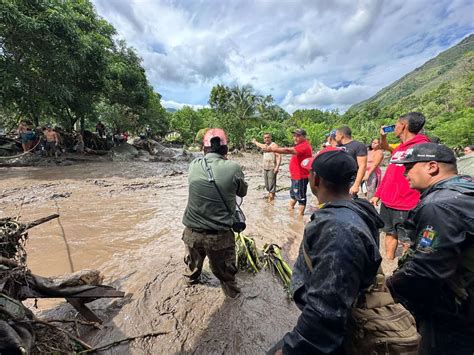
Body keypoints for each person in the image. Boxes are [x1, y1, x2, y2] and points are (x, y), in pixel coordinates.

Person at [269, 147, 383, 354]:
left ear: (316, 180)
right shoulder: (355, 208)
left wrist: (292, 348)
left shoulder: (337, 229)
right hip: (348, 315)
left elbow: (327, 310)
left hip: (339, 331)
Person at [386, 143, 474, 355]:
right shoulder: (465, 188)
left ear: (432, 167)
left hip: (456, 311)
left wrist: (388, 287)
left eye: (409, 167)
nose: (405, 174)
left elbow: (427, 268)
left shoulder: (439, 205)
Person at [182, 128, 248, 298]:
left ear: (204, 149)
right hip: (219, 237)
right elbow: (242, 192)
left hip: (192, 233)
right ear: (225, 149)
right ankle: (233, 300)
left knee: (192, 269)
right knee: (227, 276)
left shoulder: (194, 165)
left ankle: (191, 285)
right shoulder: (233, 167)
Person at [371, 112, 430, 260]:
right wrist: (378, 194)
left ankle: (405, 271)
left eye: (396, 124)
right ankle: (389, 264)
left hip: (407, 204)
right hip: (388, 201)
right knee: (389, 233)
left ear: (403, 125)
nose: (394, 127)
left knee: (407, 241)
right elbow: (390, 173)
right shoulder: (399, 148)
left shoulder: (423, 147)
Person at [263, 128, 312, 215]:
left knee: (301, 198)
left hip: (300, 177)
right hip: (295, 177)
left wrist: (272, 149)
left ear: (304, 137)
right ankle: (291, 214)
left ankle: (300, 218)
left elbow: (288, 150)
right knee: (293, 196)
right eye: (294, 136)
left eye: (298, 136)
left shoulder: (304, 146)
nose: (295, 138)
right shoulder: (299, 145)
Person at [335, 125, 368, 196]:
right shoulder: (337, 146)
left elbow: (362, 166)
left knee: (348, 204)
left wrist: (356, 185)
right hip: (336, 182)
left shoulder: (358, 146)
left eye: (336, 135)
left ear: (341, 136)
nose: (335, 137)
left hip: (350, 182)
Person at [252, 133, 282, 202]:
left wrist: (277, 167)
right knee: (267, 186)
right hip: (265, 168)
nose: (267, 139)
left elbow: (279, 156)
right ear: (264, 139)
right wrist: (254, 141)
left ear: (271, 138)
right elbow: (259, 145)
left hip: (272, 168)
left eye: (268, 137)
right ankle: (272, 198)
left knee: (271, 187)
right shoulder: (264, 146)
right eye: (265, 138)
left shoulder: (274, 145)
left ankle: (270, 204)